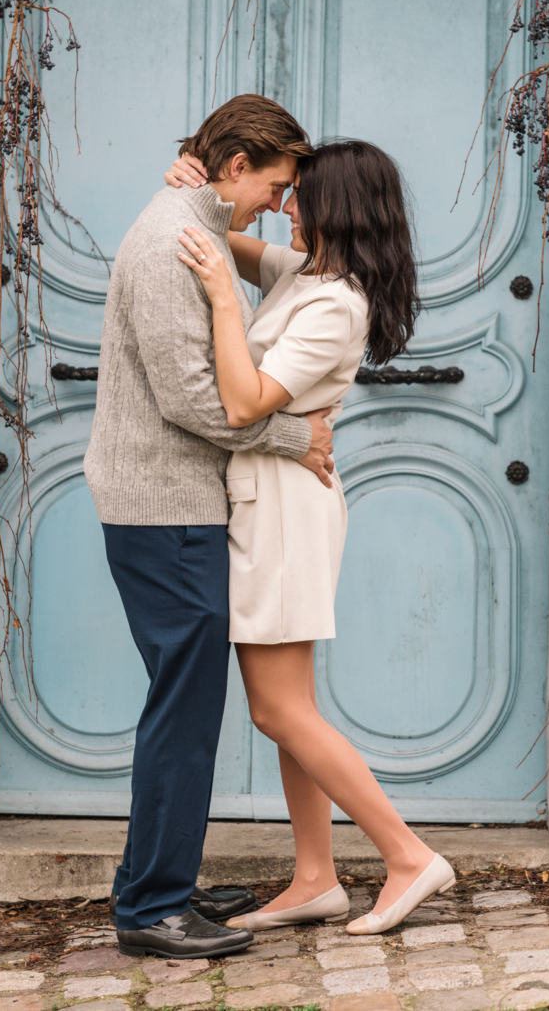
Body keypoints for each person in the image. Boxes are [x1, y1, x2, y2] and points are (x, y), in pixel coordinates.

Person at [166, 139, 455, 935]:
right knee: (291, 706)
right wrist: (187, 181)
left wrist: (226, 304)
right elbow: (219, 234)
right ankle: (316, 877)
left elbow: (246, 401)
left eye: (298, 196)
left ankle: (406, 856)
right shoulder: (307, 276)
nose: (283, 205)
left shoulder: (335, 304)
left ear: (336, 209)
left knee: (279, 710)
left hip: (285, 511)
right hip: (273, 501)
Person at [84, 95, 337, 960]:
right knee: (184, 711)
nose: (279, 201)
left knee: (186, 705)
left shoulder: (187, 223)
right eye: (274, 184)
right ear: (236, 167)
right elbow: (194, 398)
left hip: (177, 506)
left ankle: (160, 884)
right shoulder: (167, 245)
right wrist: (295, 435)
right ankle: (154, 908)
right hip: (166, 509)